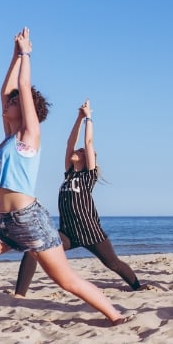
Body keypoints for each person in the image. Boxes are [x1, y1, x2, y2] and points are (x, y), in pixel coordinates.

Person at [0, 28, 125, 335]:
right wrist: (14, 55)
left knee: (66, 280)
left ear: (28, 107)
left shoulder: (28, 136)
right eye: (10, 104)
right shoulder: (8, 136)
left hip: (30, 221)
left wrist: (26, 54)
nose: (8, 105)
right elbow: (5, 91)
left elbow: (22, 86)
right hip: (0, 223)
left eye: (15, 103)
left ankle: (115, 315)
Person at [14, 99, 147, 297]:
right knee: (34, 248)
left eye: (81, 151)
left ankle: (137, 286)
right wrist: (78, 118)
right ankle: (19, 294)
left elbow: (89, 142)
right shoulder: (68, 174)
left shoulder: (88, 176)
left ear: (87, 159)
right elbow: (70, 142)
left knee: (113, 263)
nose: (76, 151)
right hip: (67, 233)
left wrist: (89, 118)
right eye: (76, 151)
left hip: (90, 231)